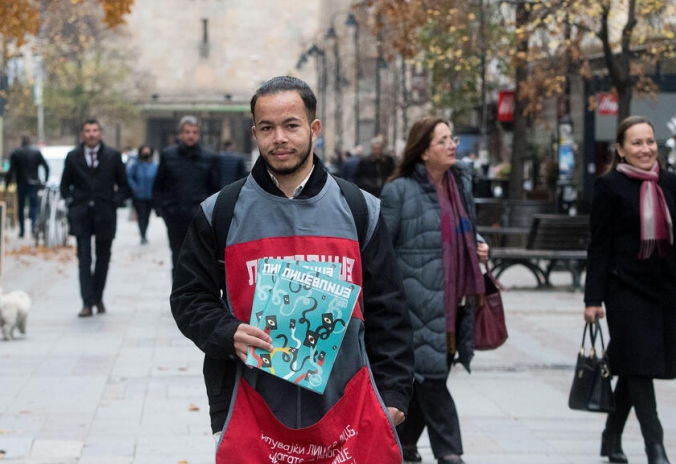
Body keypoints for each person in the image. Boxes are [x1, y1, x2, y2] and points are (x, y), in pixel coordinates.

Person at [170, 76, 413, 463]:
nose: (279, 138)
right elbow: (188, 298)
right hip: (251, 407)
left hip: (347, 409)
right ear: (254, 133)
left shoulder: (360, 209)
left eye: (291, 125)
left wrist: (395, 393)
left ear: (313, 129)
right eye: (267, 128)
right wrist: (225, 332)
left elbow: (390, 308)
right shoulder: (220, 212)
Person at [380, 117, 489, 464]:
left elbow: (465, 232)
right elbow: (380, 251)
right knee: (432, 380)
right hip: (415, 307)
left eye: (452, 138)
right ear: (424, 151)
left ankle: (402, 445)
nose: (452, 145)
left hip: (453, 303)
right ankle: (450, 453)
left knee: (423, 381)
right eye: (443, 141)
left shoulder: (459, 186)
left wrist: (480, 245)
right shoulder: (399, 192)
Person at [584, 116, 676, 464]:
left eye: (650, 142)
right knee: (641, 367)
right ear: (620, 150)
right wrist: (593, 298)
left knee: (633, 365)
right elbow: (599, 244)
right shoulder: (609, 186)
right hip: (624, 288)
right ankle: (655, 447)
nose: (645, 149)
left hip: (661, 288)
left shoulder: (669, 182)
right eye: (636, 143)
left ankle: (611, 434)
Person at [60, 119, 130, 318]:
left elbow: (124, 185)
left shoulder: (113, 156)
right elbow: (65, 185)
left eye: (94, 130)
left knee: (103, 258)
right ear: (82, 134)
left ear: (100, 133)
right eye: (87, 131)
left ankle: (98, 297)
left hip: (105, 213)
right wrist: (71, 201)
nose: (91, 134)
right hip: (81, 214)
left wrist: (114, 201)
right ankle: (87, 302)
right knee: (84, 258)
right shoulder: (72, 157)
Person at [152, 115, 218, 273]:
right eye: (187, 132)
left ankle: (195, 296)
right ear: (180, 134)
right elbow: (159, 185)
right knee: (178, 258)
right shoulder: (168, 155)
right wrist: (162, 210)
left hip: (199, 218)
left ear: (198, 134)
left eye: (194, 132)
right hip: (175, 216)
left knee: (200, 260)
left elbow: (214, 188)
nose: (190, 135)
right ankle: (178, 296)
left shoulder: (208, 158)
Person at [7, 135, 49, 238]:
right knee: (33, 206)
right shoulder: (36, 152)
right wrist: (45, 180)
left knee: (20, 207)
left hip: (21, 182)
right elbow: (46, 167)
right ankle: (33, 226)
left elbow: (11, 170)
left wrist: (7, 183)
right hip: (33, 183)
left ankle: (22, 230)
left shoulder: (16, 152)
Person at [127, 145, 158, 244]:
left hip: (150, 195)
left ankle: (144, 232)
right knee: (141, 215)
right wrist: (134, 187)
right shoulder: (136, 165)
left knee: (147, 216)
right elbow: (129, 176)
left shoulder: (154, 166)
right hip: (139, 195)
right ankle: (142, 234)